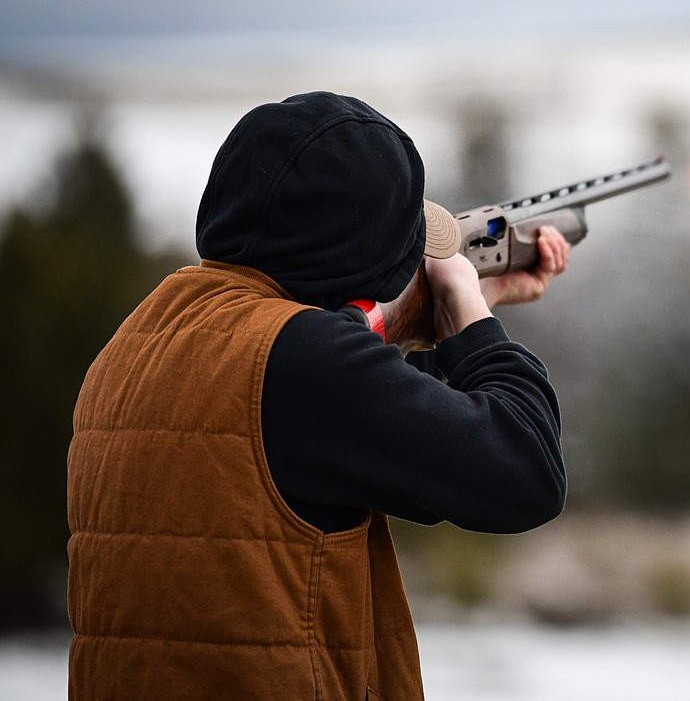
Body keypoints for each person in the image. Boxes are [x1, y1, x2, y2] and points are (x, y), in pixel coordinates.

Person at [67, 91, 571, 700]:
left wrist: (449, 325)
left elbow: (320, 430)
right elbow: (526, 473)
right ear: (373, 265)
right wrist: (472, 319)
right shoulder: (301, 360)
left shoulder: (138, 341)